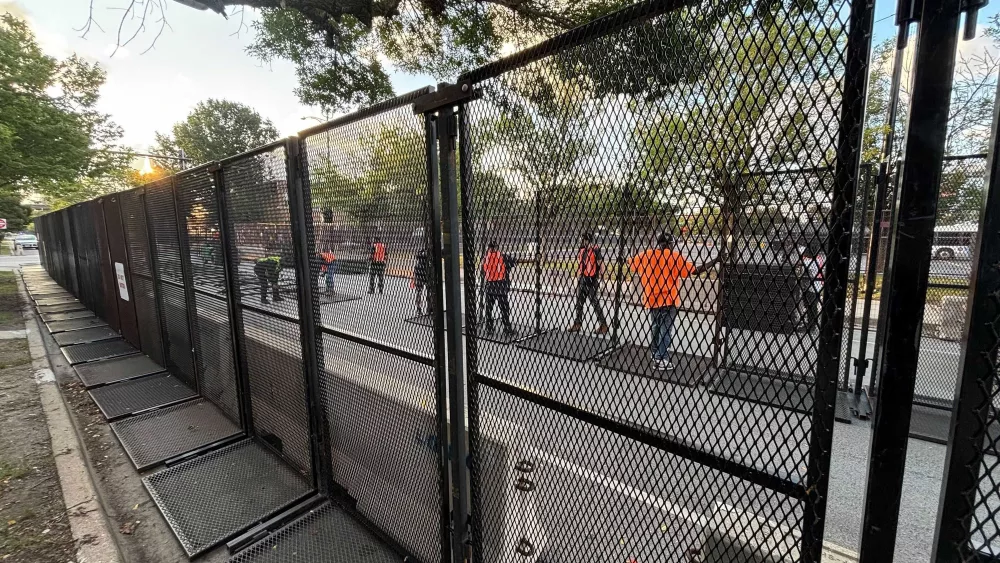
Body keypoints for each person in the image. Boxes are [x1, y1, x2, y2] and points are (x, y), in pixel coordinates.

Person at [629, 233, 719, 371]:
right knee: (666, 330)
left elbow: (630, 262)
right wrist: (715, 260)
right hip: (668, 300)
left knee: (655, 327)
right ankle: (661, 359)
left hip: (651, 299)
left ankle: (655, 353)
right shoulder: (673, 256)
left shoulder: (646, 254)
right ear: (670, 244)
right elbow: (695, 271)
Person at [568, 232, 609, 335]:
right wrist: (577, 278)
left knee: (594, 302)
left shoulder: (595, 249)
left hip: (592, 279)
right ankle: (578, 324)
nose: (583, 241)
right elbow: (580, 264)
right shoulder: (582, 250)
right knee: (579, 303)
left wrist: (603, 279)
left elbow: (601, 264)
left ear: (588, 240)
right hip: (582, 279)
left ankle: (603, 325)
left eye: (584, 239)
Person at [481, 241, 520, 337]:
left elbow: (483, 272)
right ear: (497, 247)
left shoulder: (485, 258)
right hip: (501, 286)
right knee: (504, 309)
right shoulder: (502, 257)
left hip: (489, 286)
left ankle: (489, 328)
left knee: (489, 309)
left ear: (489, 248)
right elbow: (515, 261)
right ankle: (507, 329)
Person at [800, 246, 824, 332]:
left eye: (807, 253)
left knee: (812, 306)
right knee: (808, 305)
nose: (805, 254)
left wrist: (802, 257)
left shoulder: (813, 261)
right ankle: (810, 323)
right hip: (811, 286)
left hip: (814, 287)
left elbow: (801, 262)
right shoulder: (818, 258)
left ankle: (811, 326)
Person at [412, 248, 433, 316]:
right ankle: (428, 308)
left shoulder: (421, 252)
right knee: (427, 291)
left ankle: (421, 308)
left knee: (420, 291)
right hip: (425, 271)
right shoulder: (427, 252)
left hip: (420, 271)